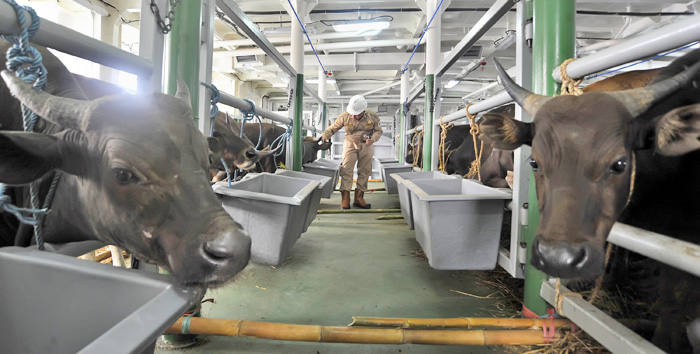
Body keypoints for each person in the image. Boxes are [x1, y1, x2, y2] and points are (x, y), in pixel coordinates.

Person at [321, 95, 382, 209]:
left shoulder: (372, 116)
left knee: (365, 170)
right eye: (352, 113)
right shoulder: (345, 116)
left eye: (357, 113)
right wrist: (325, 135)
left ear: (363, 110)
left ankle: (359, 198)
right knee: (346, 169)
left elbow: (378, 131)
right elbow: (333, 128)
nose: (354, 116)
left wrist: (373, 138)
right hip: (350, 142)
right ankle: (345, 198)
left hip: (366, 144)